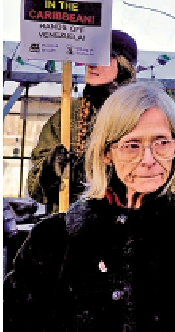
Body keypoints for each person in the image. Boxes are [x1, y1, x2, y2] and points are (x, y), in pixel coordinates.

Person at [5, 82, 175, 332]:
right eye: (132, 145)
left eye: (161, 142)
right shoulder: (56, 238)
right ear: (105, 153)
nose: (148, 159)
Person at [28, 30, 138, 213]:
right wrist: (50, 171)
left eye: (103, 57)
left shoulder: (144, 112)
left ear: (124, 65)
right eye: (90, 55)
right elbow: (35, 191)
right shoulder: (68, 114)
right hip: (72, 230)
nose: (91, 63)